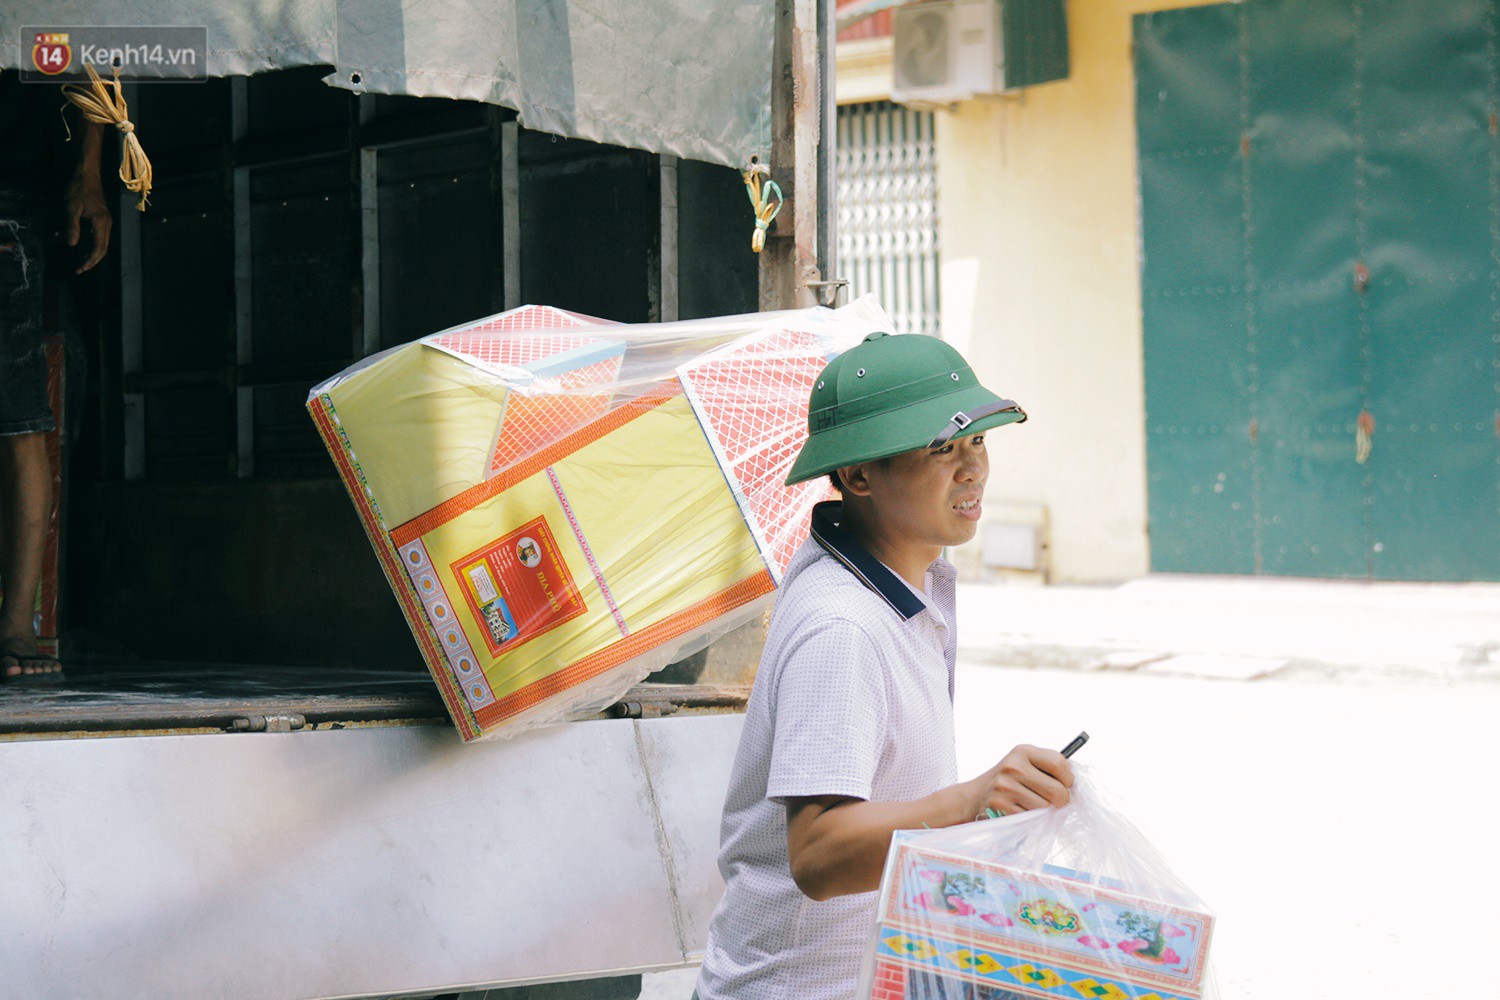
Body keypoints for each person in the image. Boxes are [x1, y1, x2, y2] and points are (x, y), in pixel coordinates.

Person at [694, 331, 1075, 1000]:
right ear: (858, 475)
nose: (973, 470)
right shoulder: (843, 627)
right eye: (941, 449)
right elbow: (819, 852)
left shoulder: (912, 583)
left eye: (978, 442)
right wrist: (974, 798)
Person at [0, 68, 111, 682]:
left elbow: (92, 44)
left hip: (9, 200)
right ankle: (16, 628)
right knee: (18, 423)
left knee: (18, 422)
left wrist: (89, 174)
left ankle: (16, 626)